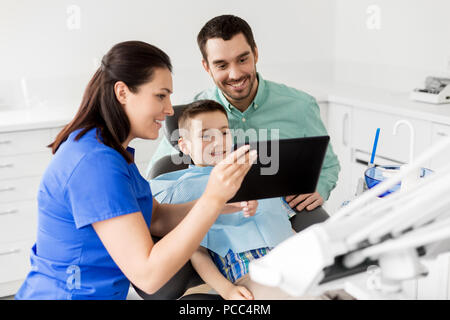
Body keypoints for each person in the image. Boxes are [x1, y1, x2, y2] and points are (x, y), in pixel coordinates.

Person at [14, 41, 257, 300]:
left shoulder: (111, 150)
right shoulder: (94, 163)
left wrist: (222, 204)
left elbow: (155, 218)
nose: (169, 109)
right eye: (161, 96)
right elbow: (148, 276)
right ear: (122, 92)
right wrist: (212, 198)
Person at [151, 100, 353, 300]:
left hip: (296, 260)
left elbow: (284, 220)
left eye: (224, 132)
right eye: (205, 135)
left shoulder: (257, 171)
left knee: (354, 288)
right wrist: (227, 291)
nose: (219, 141)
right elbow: (197, 252)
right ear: (184, 146)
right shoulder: (179, 189)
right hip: (252, 272)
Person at [148, 14, 340, 213]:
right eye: (222, 65)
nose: (235, 74)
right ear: (207, 67)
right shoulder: (191, 114)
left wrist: (319, 187)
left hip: (280, 217)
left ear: (255, 54)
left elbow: (328, 165)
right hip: (214, 224)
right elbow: (157, 176)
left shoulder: (300, 106)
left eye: (242, 59)